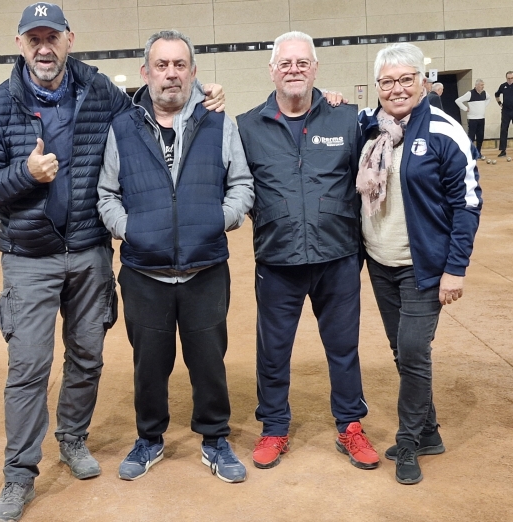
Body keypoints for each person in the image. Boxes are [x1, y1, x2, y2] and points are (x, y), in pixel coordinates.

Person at [0, 4, 224, 521]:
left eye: (52, 37)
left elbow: (148, 108)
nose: (44, 47)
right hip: (29, 257)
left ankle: (73, 439)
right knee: (30, 366)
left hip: (89, 251)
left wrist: (203, 95)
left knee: (87, 356)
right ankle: (19, 474)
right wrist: (25, 174)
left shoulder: (99, 90)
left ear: (68, 40)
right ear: (20, 44)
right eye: (33, 38)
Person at [97, 30, 254, 484]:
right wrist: (134, 231)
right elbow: (107, 194)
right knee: (149, 363)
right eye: (161, 65)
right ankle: (149, 438)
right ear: (146, 73)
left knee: (209, 360)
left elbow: (242, 184)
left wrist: (216, 219)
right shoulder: (122, 127)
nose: (171, 73)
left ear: (193, 72)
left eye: (179, 64)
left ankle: (215, 438)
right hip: (145, 272)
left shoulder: (219, 122)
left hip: (205, 268)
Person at [236, 31, 379, 472]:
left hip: (337, 257)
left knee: (343, 347)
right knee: (273, 350)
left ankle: (350, 426)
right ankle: (274, 427)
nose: (294, 69)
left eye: (302, 62)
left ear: (315, 67)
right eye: (286, 63)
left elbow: (389, 135)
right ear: (272, 70)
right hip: (277, 262)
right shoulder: (246, 126)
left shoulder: (346, 118)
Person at [358, 42, 482, 485]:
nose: (396, 89)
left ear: (423, 82)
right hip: (380, 261)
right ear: (377, 87)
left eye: (405, 79)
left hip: (422, 267)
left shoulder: (446, 131)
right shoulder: (370, 128)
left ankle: (409, 440)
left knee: (412, 351)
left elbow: (466, 205)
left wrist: (456, 268)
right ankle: (429, 432)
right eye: (387, 81)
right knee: (401, 349)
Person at [456, 79, 491, 159]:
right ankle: (470, 153)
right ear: (476, 86)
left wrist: (483, 106)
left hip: (481, 118)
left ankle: (478, 153)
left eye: (483, 85)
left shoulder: (484, 93)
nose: (483, 87)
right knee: (471, 137)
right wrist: (465, 108)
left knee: (480, 136)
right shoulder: (470, 93)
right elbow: (458, 101)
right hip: (472, 119)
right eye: (481, 85)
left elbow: (489, 98)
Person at [495, 70, 513, 157]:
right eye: (508, 78)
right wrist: (499, 103)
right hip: (506, 111)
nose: (510, 80)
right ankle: (503, 150)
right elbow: (497, 94)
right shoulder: (503, 86)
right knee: (503, 130)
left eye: (511, 78)